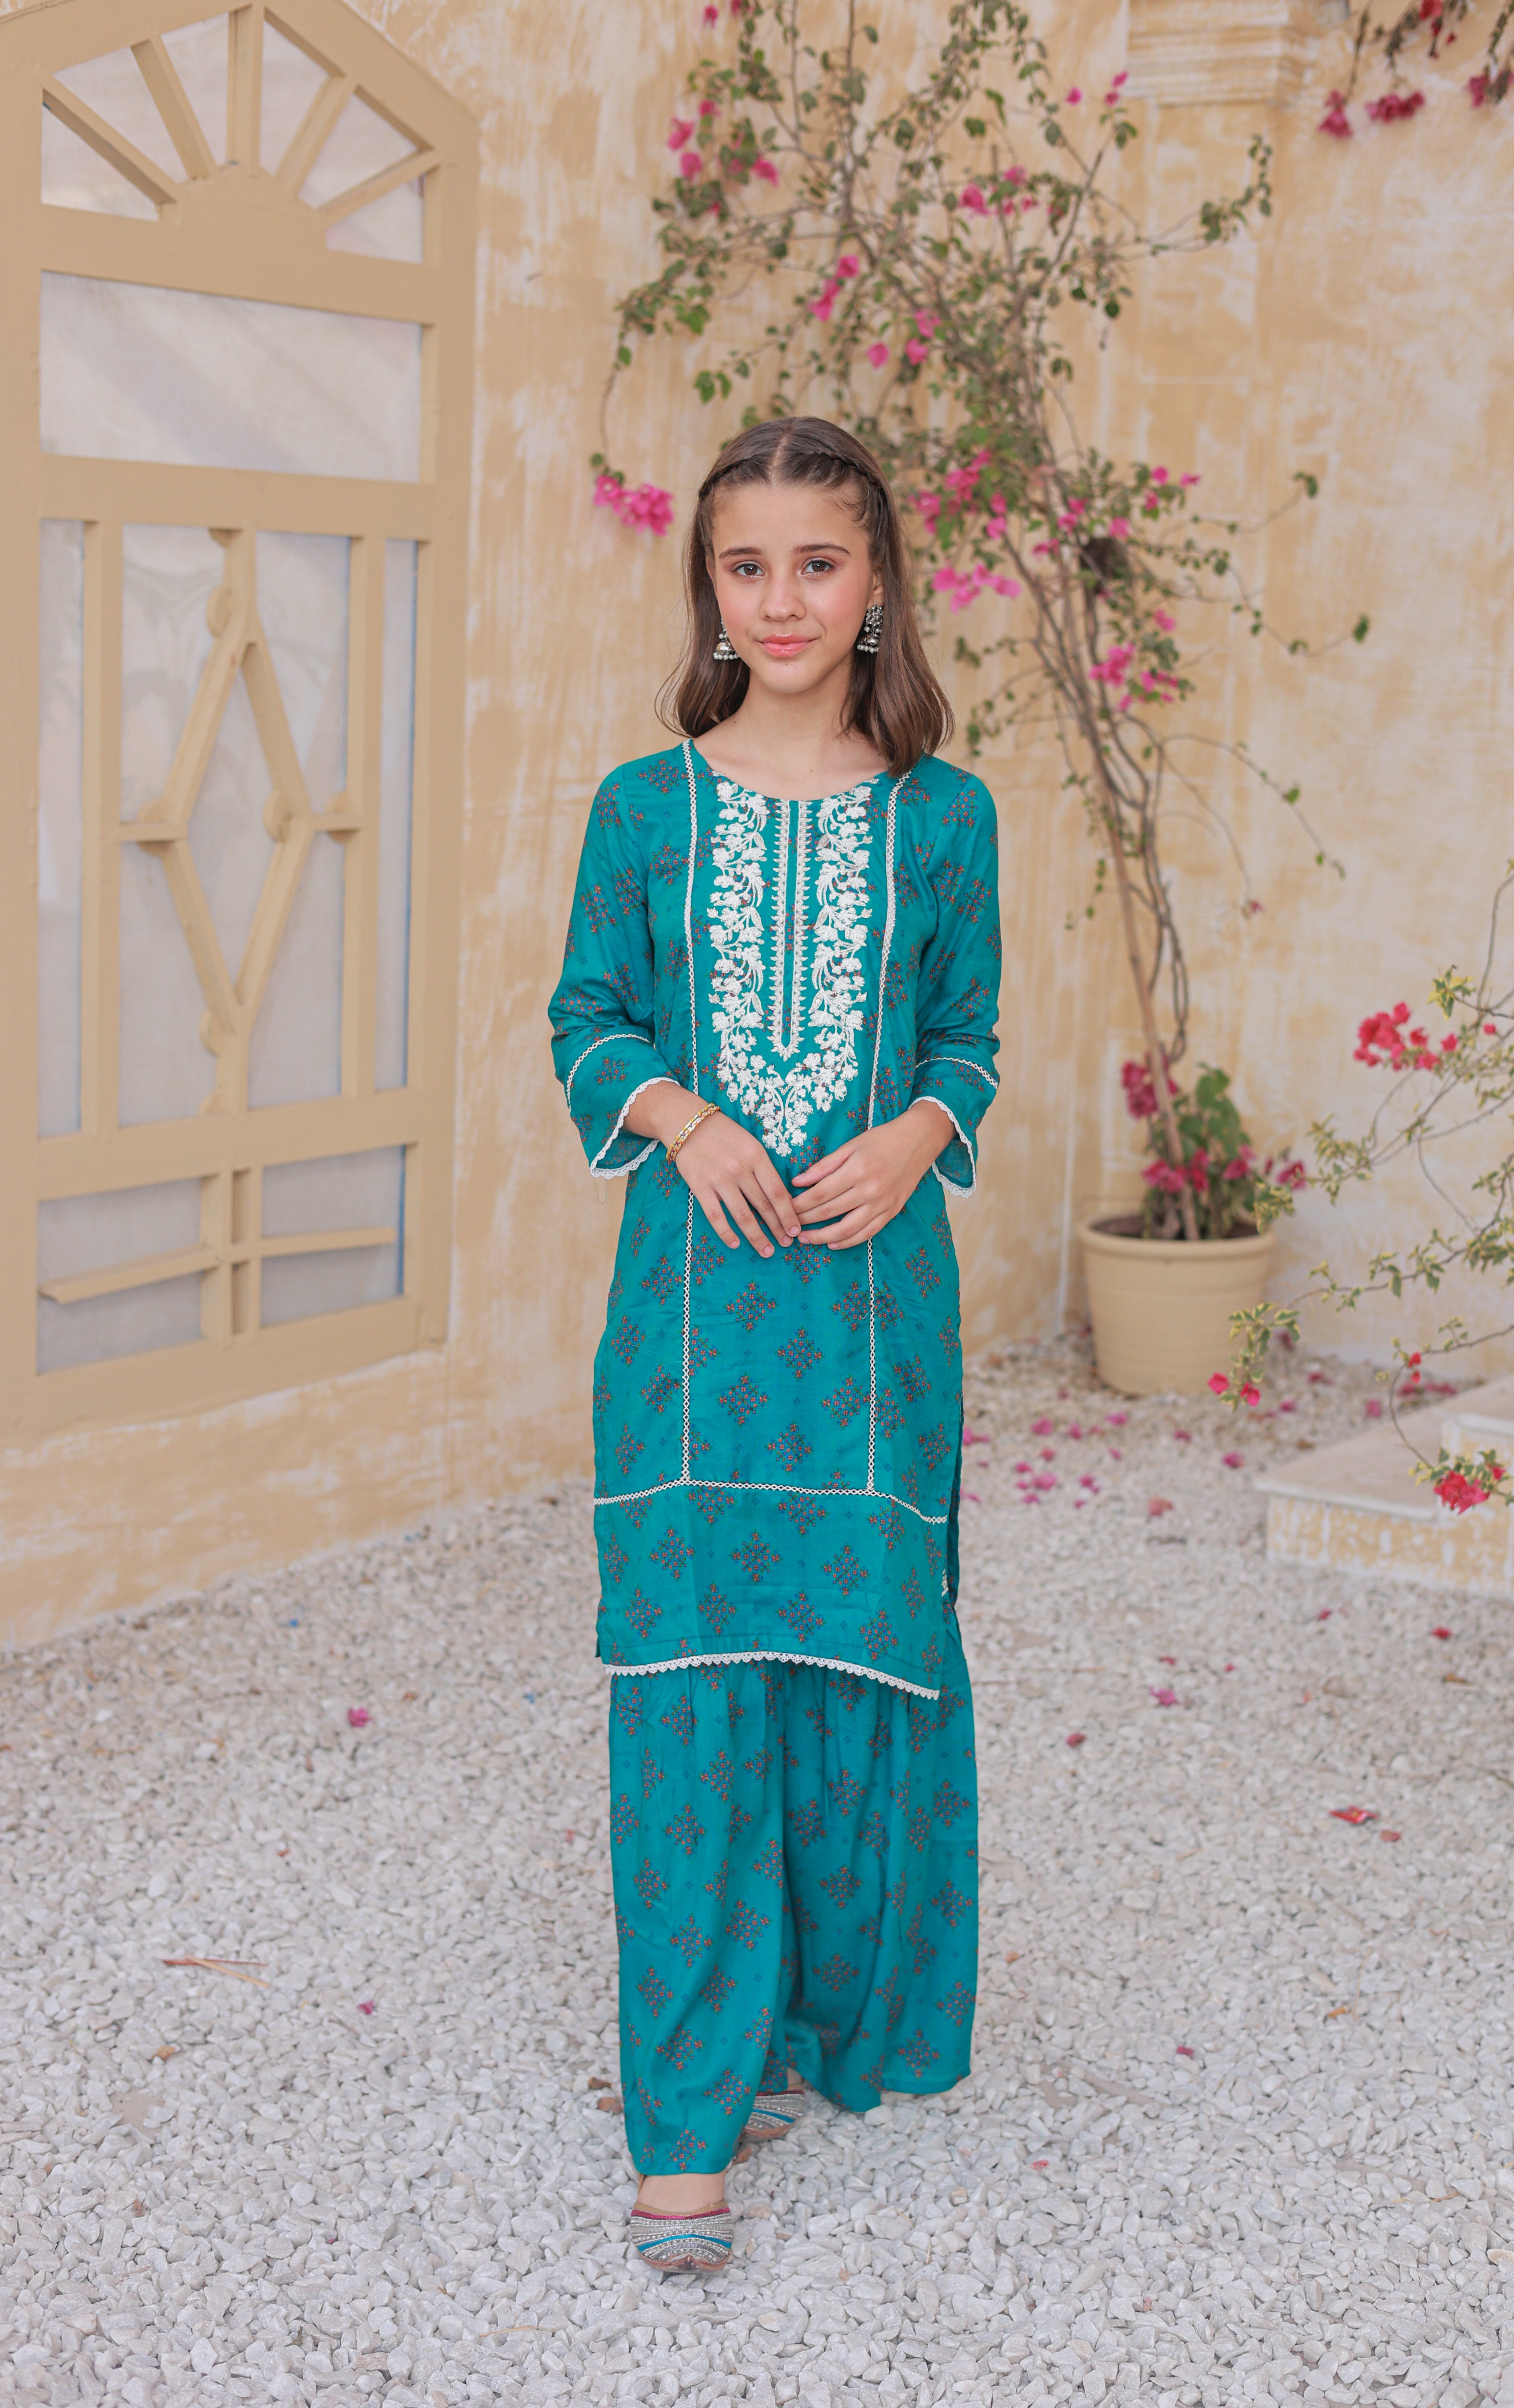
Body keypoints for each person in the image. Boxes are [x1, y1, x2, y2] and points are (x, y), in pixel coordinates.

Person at [549, 416, 1001, 2273]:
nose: (783, 600)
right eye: (747, 566)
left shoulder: (946, 818)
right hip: (689, 1330)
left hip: (874, 1330)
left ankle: (820, 2028)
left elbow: (967, 1039)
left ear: (877, 582)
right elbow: (586, 1020)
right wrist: (683, 1118)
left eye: (818, 563)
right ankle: (685, 2119)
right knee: (686, 1679)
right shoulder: (644, 808)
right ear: (709, 588)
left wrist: (916, 1134)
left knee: (856, 1666)